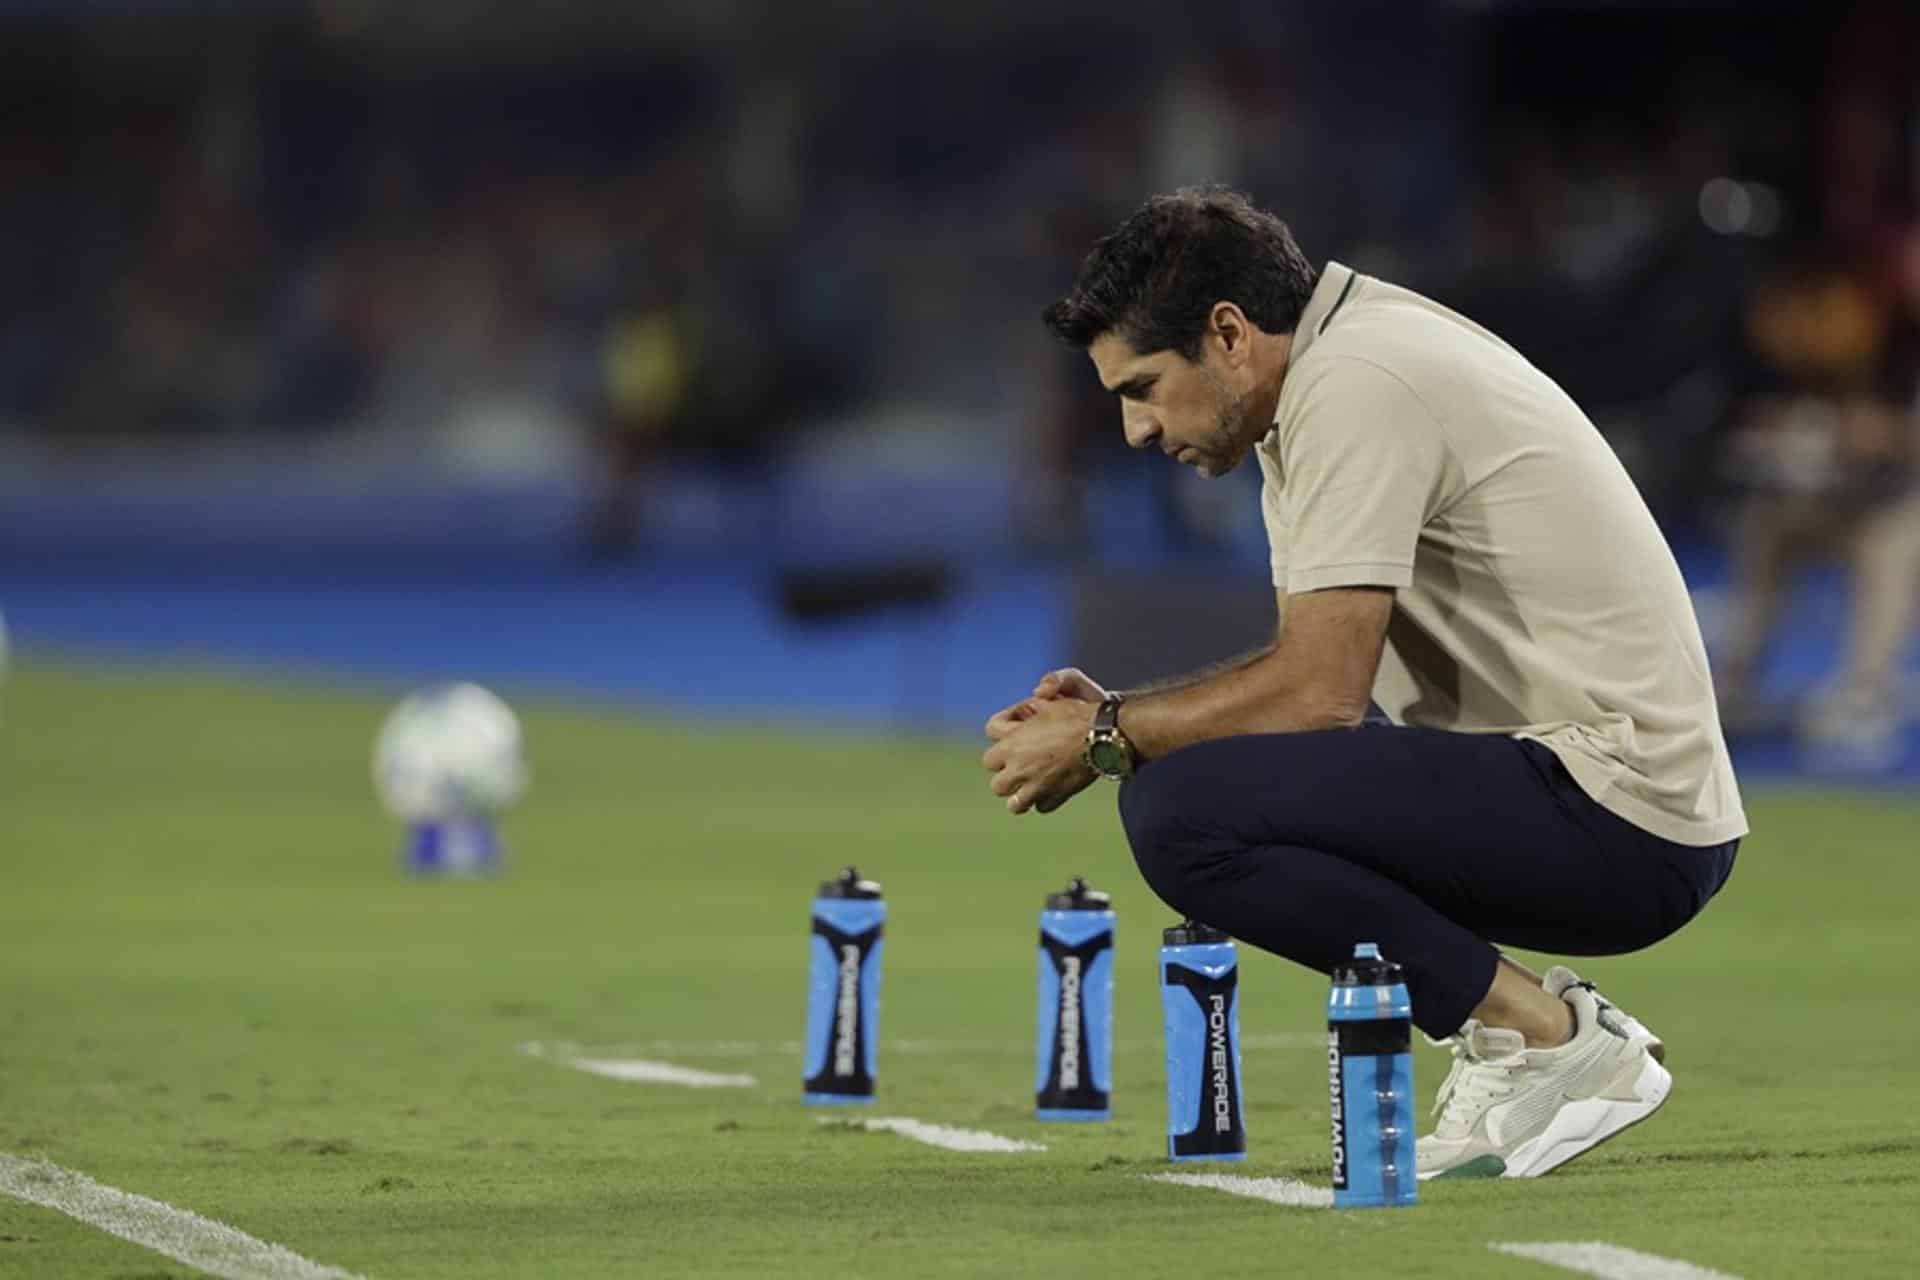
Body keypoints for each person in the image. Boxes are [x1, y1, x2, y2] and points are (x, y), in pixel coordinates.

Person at [982, 187, 1745, 1180]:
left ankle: (1549, 1038)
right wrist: (1123, 716)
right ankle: (1540, 1037)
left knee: (1181, 812)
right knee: (1190, 785)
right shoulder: (1327, 373)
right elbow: (1324, 695)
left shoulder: (1358, 382)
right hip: (1580, 788)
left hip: (1618, 812)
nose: (1134, 428)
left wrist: (1109, 731)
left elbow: (1318, 695)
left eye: (1143, 386)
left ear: (1228, 333)